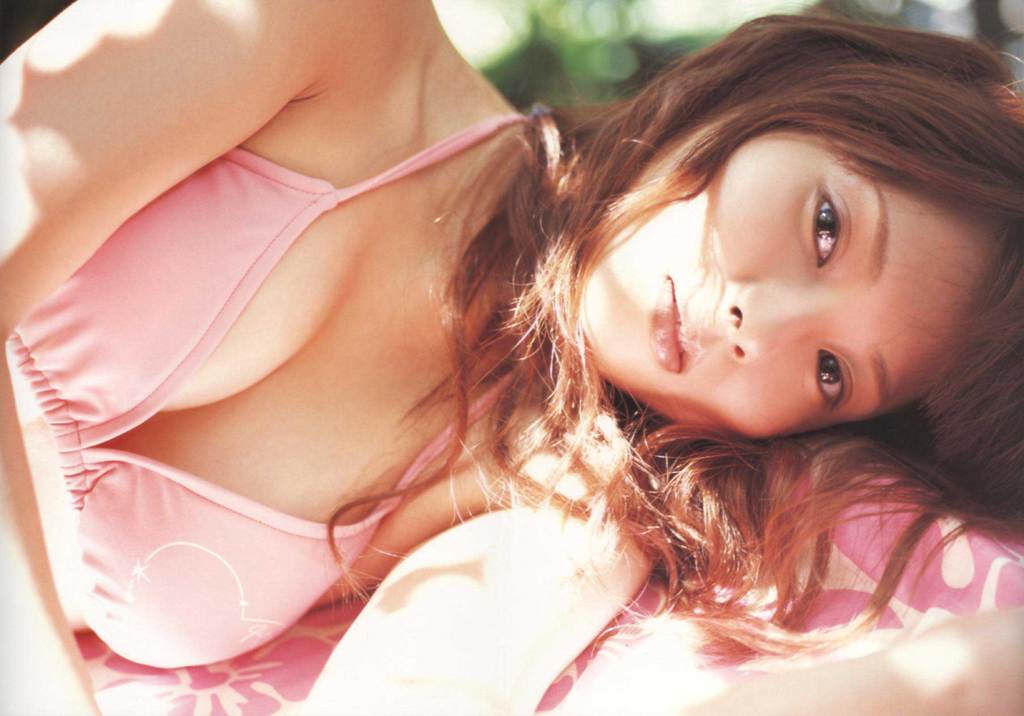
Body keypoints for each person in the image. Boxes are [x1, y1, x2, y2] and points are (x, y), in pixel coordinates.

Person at [0, 2, 1021, 714]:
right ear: (779, 96)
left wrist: (974, 675)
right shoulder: (340, 32)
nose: (761, 326)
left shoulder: (566, 501)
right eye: (828, 226)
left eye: (831, 371)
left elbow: (417, 699)